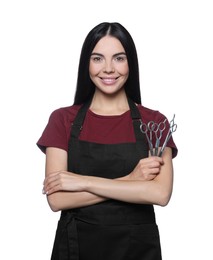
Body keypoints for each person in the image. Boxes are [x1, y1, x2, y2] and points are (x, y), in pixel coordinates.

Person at [37, 22, 178, 260]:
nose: (109, 69)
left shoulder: (155, 123)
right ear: (87, 64)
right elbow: (57, 199)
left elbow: (160, 194)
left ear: (130, 63)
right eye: (98, 59)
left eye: (119, 58)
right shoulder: (63, 119)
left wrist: (82, 182)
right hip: (77, 248)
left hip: (137, 250)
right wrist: (131, 180)